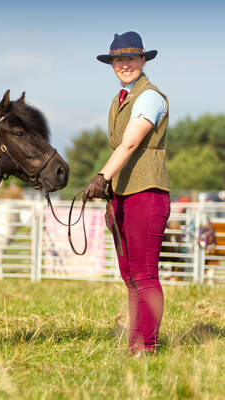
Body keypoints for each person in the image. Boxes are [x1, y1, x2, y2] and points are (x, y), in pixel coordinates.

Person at [83, 31, 170, 355]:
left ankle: (145, 345)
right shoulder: (121, 98)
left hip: (148, 192)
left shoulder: (149, 97)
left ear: (143, 60)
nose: (125, 64)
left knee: (145, 274)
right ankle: (137, 341)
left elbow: (131, 143)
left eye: (131, 58)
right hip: (125, 194)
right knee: (130, 274)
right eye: (118, 60)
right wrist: (112, 196)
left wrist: (101, 177)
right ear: (112, 65)